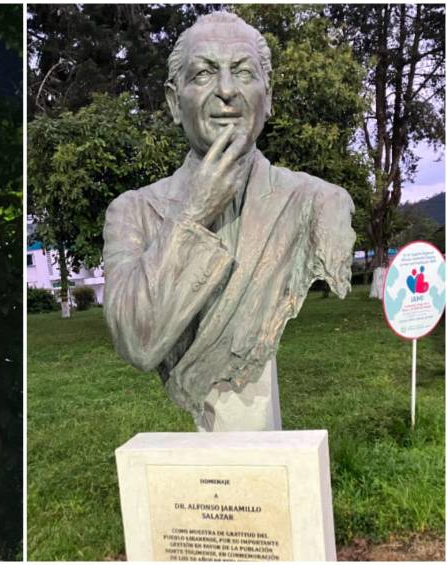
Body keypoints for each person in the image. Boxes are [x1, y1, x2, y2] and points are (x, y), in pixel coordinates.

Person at [102, 12, 355, 431]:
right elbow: (137, 342)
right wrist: (193, 214)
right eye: (203, 74)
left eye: (242, 72)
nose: (226, 91)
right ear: (172, 100)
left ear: (268, 97)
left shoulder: (319, 203)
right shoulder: (132, 212)